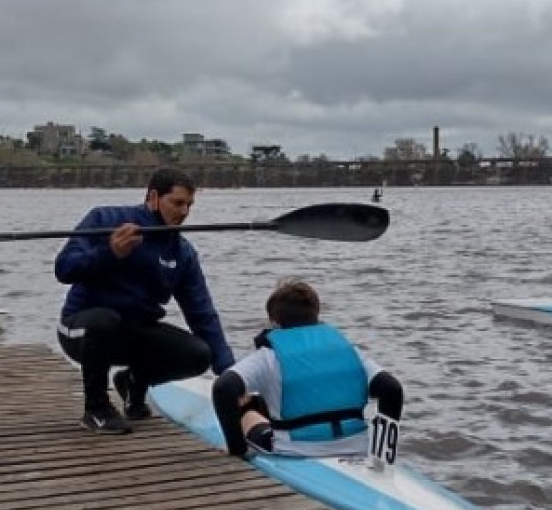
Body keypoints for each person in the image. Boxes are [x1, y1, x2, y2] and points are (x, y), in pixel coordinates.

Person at [55, 167, 235, 434]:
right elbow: (64, 269)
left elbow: (202, 313)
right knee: (103, 321)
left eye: (189, 205)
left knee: (199, 354)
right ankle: (97, 410)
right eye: (177, 203)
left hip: (133, 331)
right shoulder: (105, 218)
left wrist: (230, 372)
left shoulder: (182, 252)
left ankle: (132, 383)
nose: (184, 212)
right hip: (80, 328)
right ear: (153, 197)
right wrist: (109, 252)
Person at [212, 279, 403, 458]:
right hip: (357, 445)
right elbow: (392, 389)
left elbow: (224, 388)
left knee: (248, 409)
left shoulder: (267, 357)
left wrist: (237, 450)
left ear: (274, 322)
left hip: (294, 449)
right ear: (316, 315)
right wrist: (383, 451)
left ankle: (240, 442)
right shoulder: (350, 352)